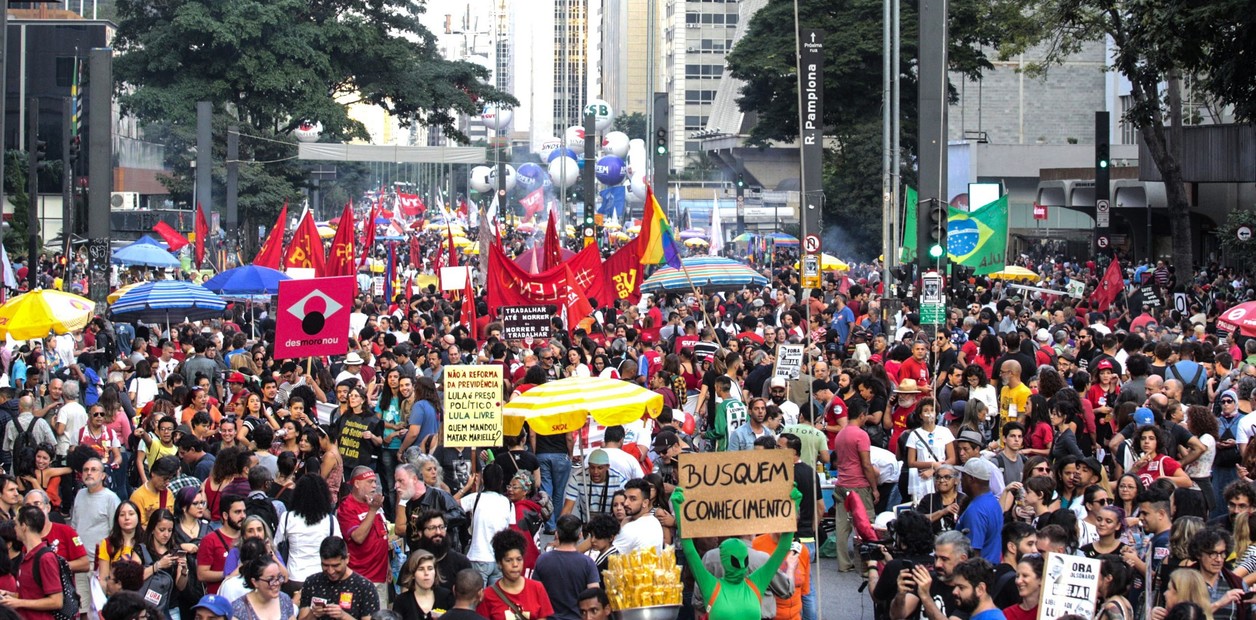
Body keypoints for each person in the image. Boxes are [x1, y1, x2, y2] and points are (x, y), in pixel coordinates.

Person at [833, 398, 878, 572]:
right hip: (858, 484)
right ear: (862, 415)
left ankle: (844, 563)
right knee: (866, 523)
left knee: (842, 525)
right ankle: (868, 563)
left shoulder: (841, 434)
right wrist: (874, 488)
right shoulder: (861, 435)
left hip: (842, 483)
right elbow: (866, 464)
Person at [274, 474, 340, 593]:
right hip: (322, 578)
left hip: (293, 577)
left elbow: (276, 546)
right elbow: (338, 547)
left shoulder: (287, 517)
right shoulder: (330, 520)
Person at [336, 467, 390, 604]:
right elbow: (358, 537)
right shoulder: (346, 507)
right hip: (359, 578)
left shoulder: (374, 504)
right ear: (357, 483)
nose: (374, 485)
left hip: (380, 576)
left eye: (375, 482)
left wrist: (387, 564)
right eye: (369, 482)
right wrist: (372, 510)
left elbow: (382, 535)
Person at [476, 529, 553, 620]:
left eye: (519, 559)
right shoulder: (488, 595)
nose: (515, 565)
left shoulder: (537, 588)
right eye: (509, 560)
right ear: (499, 563)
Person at [531, 515, 598, 620]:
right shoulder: (588, 563)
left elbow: (534, 593)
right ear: (580, 535)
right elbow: (594, 596)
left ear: (557, 534)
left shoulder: (542, 560)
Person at [297, 537, 381, 620]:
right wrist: (313, 614)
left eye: (335, 565)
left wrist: (344, 616)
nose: (331, 571)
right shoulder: (312, 582)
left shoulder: (364, 587)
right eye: (325, 565)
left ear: (347, 559)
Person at [459, 464, 513, 587]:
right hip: (500, 559)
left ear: (483, 480)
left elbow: (450, 504)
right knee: (495, 601)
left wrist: (467, 487)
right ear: (501, 481)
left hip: (479, 556)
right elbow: (511, 530)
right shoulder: (508, 503)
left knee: (476, 599)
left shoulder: (475, 498)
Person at [957, 458, 1004, 564]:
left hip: (978, 573)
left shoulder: (976, 510)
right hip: (990, 568)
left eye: (963, 476)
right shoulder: (993, 501)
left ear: (971, 479)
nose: (960, 480)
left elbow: (973, 553)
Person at [197, 494, 245, 595]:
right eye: (237, 512)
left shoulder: (247, 537)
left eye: (244, 511)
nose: (243, 516)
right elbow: (202, 574)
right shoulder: (210, 540)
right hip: (219, 599)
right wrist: (230, 573)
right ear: (225, 515)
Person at [392, 550, 454, 620]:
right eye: (421, 569)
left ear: (435, 572)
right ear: (412, 574)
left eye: (430, 568)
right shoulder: (402, 601)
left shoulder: (446, 597)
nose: (426, 573)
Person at [232, 555, 297, 620]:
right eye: (270, 580)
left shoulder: (285, 600)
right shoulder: (239, 608)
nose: (277, 583)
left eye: (279, 577)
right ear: (254, 582)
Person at [98, 500, 146, 588]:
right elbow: (103, 578)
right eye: (122, 515)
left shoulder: (146, 542)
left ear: (138, 517)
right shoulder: (108, 543)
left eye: (131, 514)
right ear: (117, 519)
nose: (127, 518)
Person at [613, 478, 664, 555]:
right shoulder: (655, 522)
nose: (626, 503)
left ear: (645, 502)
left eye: (633, 499)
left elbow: (609, 557)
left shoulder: (631, 528)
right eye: (626, 498)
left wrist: (623, 526)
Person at [131, 456, 180, 526]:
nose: (167, 483)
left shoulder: (168, 493)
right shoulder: (138, 496)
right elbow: (137, 526)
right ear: (153, 473)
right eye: (164, 479)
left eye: (169, 479)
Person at [1001, 554, 1042, 620]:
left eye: (1025, 576)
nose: (1018, 581)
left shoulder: (1046, 613)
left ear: (1041, 579)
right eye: (1017, 576)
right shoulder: (1007, 614)